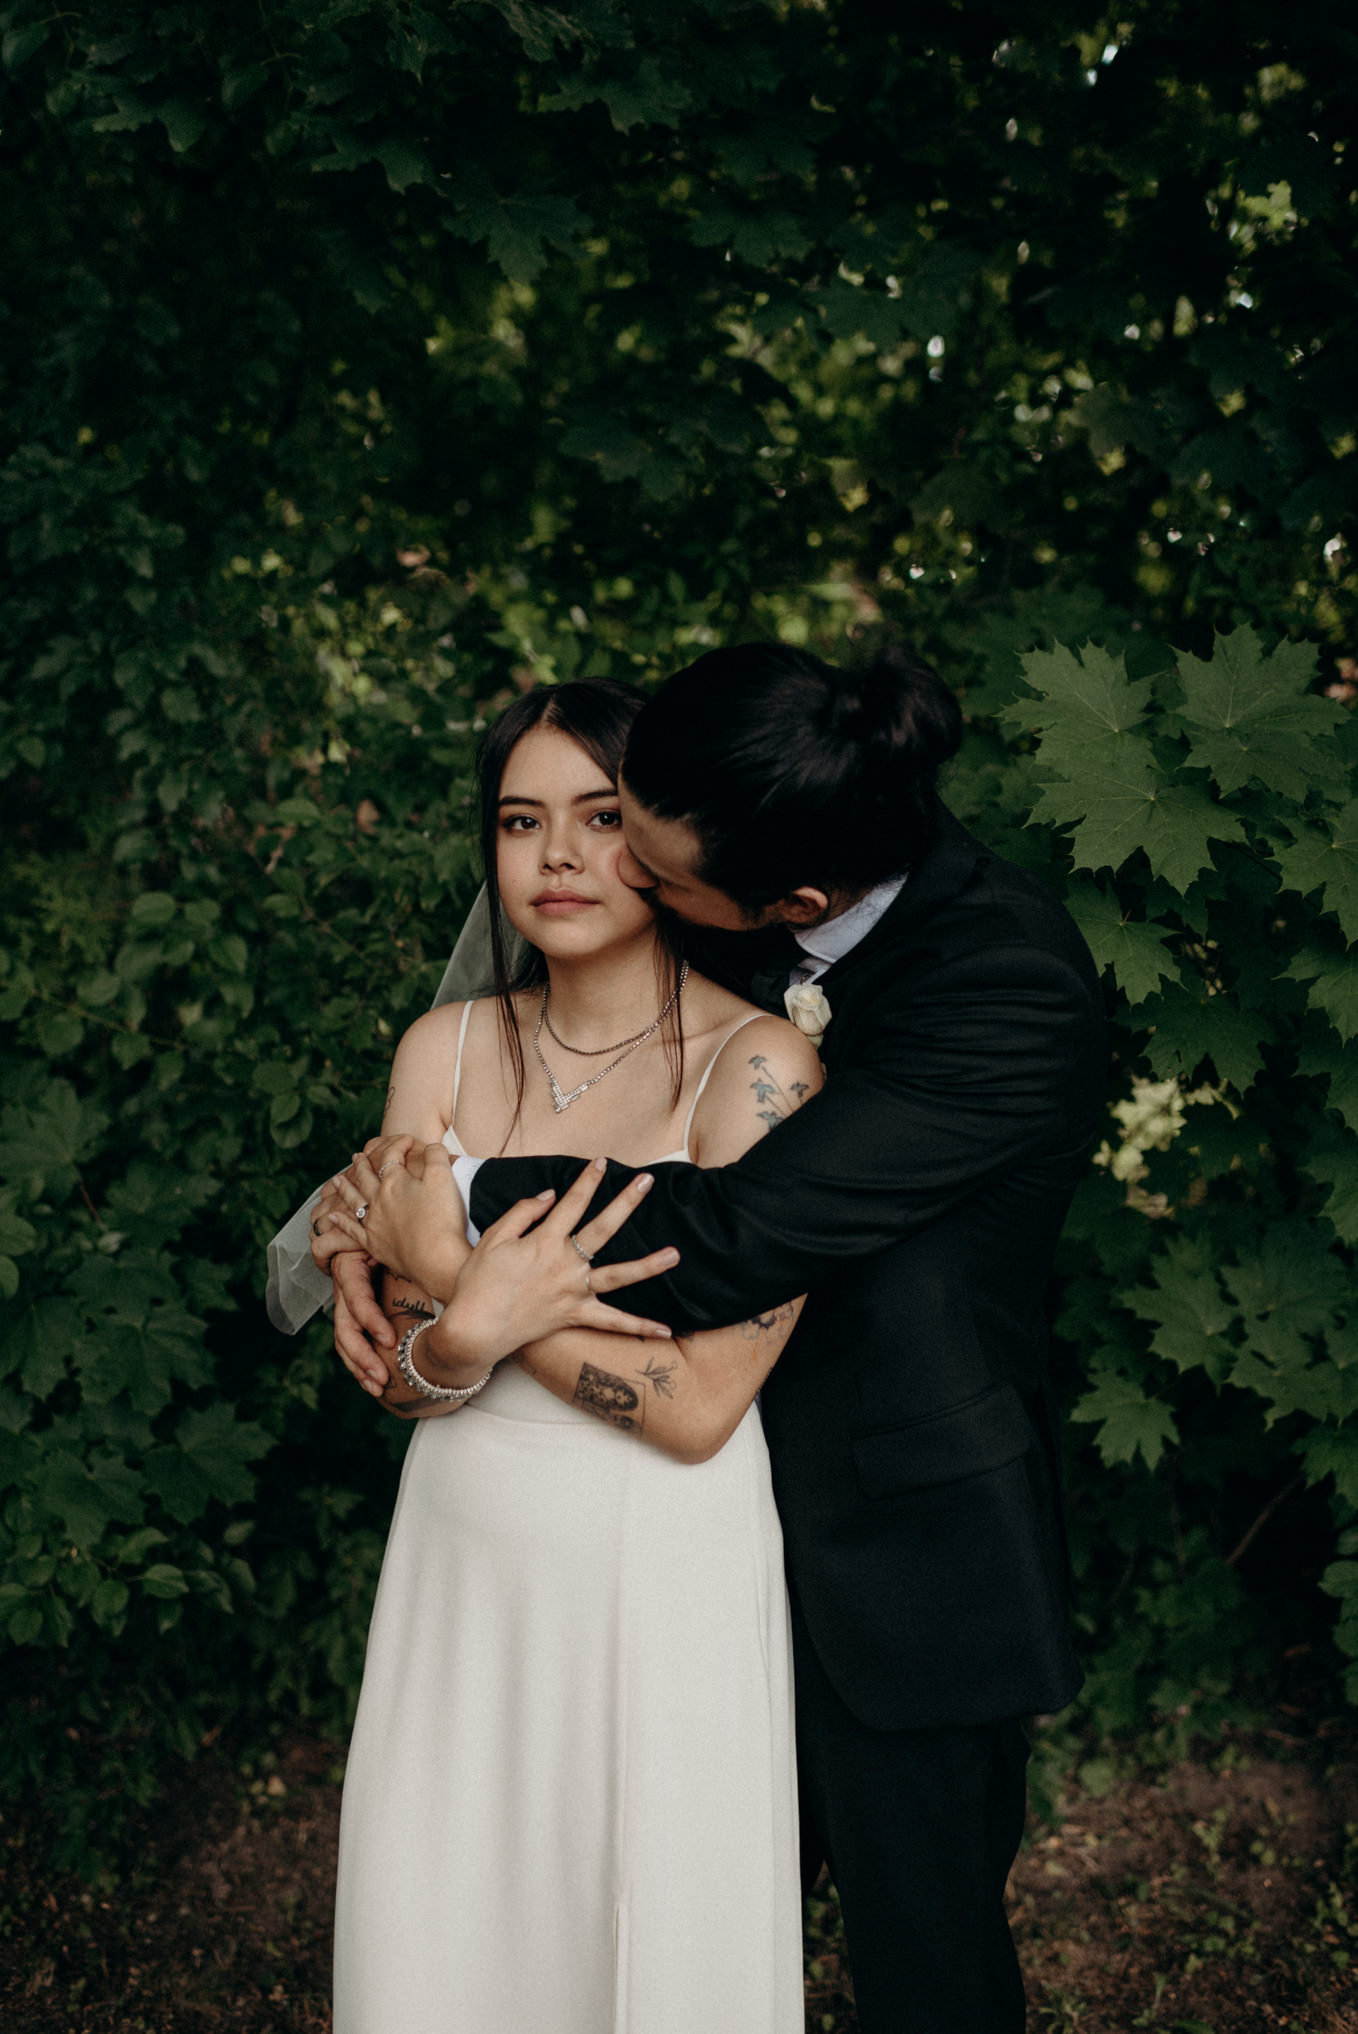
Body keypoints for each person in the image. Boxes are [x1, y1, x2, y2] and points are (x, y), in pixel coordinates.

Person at [316, 639, 1108, 2034]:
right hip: (664, 1526)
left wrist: (436, 1224)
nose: (607, 874)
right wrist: (354, 1213)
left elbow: (735, 1234)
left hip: (891, 1531)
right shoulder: (761, 825)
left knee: (916, 1955)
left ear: (783, 899)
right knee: (586, 1901)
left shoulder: (1003, 978)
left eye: (640, 853)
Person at [320, 677, 821, 2034]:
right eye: (518, 819)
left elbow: (703, 1404)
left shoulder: (759, 1071)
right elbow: (399, 1374)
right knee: (448, 1922)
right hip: (461, 1555)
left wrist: (453, 1280)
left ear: (663, 836)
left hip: (661, 1561)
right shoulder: (443, 1048)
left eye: (599, 818)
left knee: (644, 1923)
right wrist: (451, 1333)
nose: (554, 856)